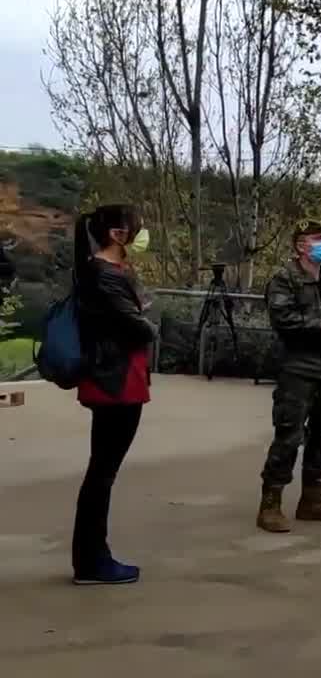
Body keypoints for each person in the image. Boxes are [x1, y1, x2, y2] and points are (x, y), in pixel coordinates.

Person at [256, 219, 321, 533]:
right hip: (298, 366)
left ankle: (312, 498)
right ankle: (270, 503)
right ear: (301, 245)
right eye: (316, 238)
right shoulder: (284, 278)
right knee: (289, 435)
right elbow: (282, 318)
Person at [70, 205, 155, 585]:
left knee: (102, 472)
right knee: (102, 473)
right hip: (114, 383)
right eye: (137, 229)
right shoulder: (103, 276)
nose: (143, 235)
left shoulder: (106, 272)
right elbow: (139, 329)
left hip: (118, 379)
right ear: (118, 236)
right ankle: (91, 560)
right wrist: (145, 321)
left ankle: (92, 557)